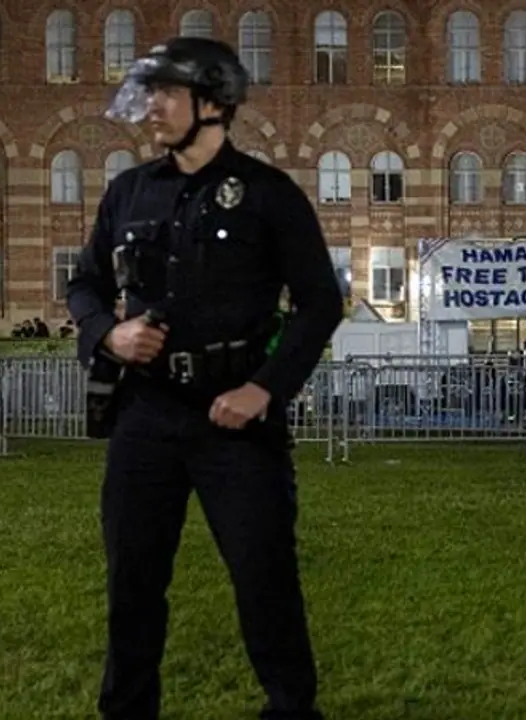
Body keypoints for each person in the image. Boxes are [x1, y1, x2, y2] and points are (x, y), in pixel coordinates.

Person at [65, 37, 342, 720]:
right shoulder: (129, 191)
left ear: (214, 101)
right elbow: (86, 285)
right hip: (145, 417)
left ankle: (290, 708)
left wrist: (265, 390)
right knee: (133, 581)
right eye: (149, 92)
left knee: (263, 577)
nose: (151, 107)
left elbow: (319, 303)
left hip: (235, 423)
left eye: (167, 92)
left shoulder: (269, 196)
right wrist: (109, 333)